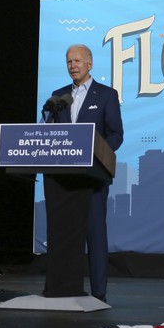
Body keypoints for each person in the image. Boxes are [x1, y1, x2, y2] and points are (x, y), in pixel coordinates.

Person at [43, 44, 123, 302]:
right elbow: (49, 133)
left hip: (93, 178)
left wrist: (98, 155)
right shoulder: (58, 97)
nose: (72, 65)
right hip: (63, 179)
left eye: (77, 60)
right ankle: (63, 288)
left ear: (89, 64)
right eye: (69, 61)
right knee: (64, 234)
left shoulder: (106, 95)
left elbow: (115, 134)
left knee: (95, 233)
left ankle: (99, 293)